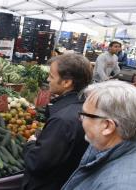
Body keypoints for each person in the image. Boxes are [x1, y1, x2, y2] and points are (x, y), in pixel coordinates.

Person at [22, 54, 93, 190]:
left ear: (67, 82)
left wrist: (30, 144)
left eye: (52, 76)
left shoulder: (62, 119)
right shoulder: (85, 106)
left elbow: (37, 163)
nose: (48, 79)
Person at [62, 81, 136, 190]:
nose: (80, 119)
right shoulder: (113, 146)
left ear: (107, 126)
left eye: (84, 115)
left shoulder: (119, 186)